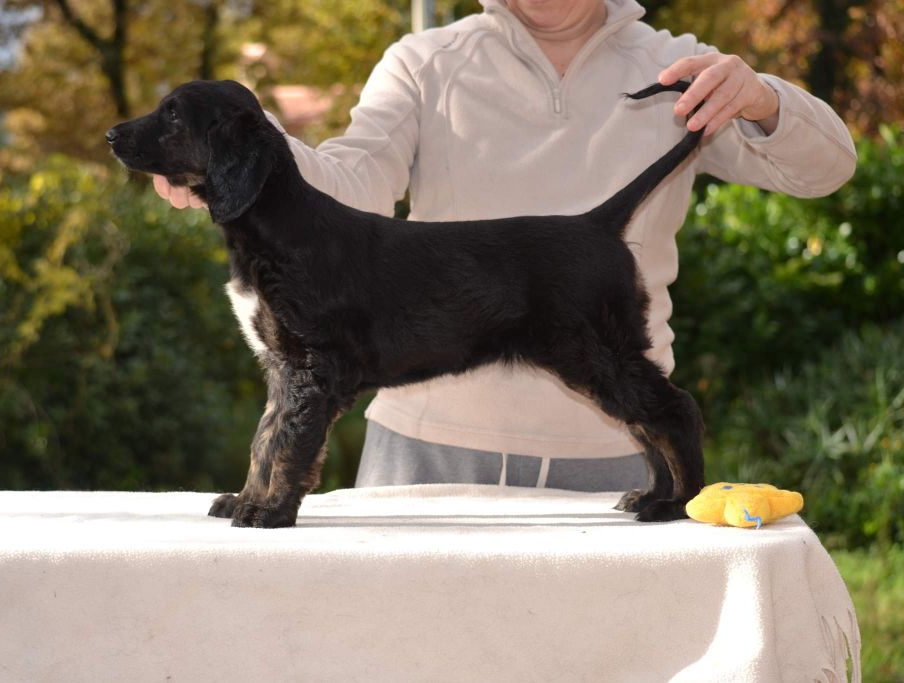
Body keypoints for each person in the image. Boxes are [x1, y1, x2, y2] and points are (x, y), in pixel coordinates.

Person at [154, 0, 856, 493]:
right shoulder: (425, 61)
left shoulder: (681, 67)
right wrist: (240, 155)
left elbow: (827, 170)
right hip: (428, 456)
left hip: (613, 458)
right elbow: (351, 185)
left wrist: (766, 101)